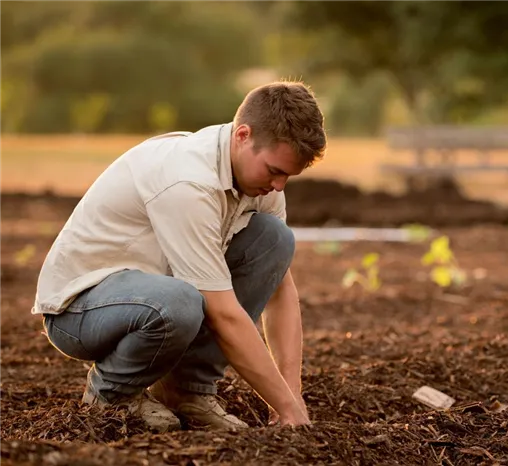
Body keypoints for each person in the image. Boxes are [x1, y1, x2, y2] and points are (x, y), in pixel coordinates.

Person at [32, 81, 326, 433]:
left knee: (274, 239)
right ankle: (112, 393)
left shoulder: (259, 184)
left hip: (153, 294)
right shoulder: (188, 181)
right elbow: (223, 314)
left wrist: (293, 396)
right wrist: (283, 405)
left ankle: (187, 390)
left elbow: (279, 290)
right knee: (180, 302)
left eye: (288, 176)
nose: (279, 186)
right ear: (243, 135)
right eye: (274, 171)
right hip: (79, 309)